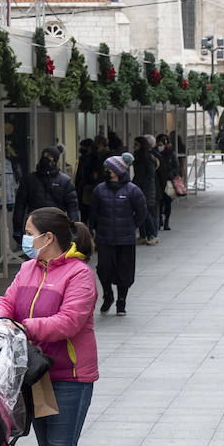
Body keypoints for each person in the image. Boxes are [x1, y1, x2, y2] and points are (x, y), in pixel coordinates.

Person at [0, 207, 97, 446]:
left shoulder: (79, 275)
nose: (25, 238)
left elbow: (70, 321)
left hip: (69, 375)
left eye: (29, 231)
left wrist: (24, 327)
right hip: (34, 374)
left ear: (48, 237)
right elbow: (7, 302)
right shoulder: (26, 269)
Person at [89, 156, 148, 315]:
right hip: (105, 238)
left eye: (109, 169)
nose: (106, 172)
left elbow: (142, 212)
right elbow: (93, 214)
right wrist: (92, 231)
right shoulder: (99, 190)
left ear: (117, 171)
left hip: (125, 239)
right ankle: (108, 295)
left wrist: (131, 226)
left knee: (125, 271)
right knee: (103, 269)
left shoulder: (132, 190)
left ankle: (122, 301)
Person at [13, 146, 78, 242]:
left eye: (49, 156)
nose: (45, 158)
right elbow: (20, 205)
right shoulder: (30, 179)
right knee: (36, 254)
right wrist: (17, 228)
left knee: (55, 254)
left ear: (55, 160)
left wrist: (74, 230)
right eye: (44, 155)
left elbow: (73, 208)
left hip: (56, 225)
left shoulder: (65, 181)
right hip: (35, 224)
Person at [131, 137, 159, 244]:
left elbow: (149, 174)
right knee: (141, 212)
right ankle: (143, 235)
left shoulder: (147, 157)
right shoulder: (138, 156)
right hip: (139, 186)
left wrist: (141, 185)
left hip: (146, 188)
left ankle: (153, 235)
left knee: (145, 212)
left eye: (136, 144)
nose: (134, 146)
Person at [154, 133, 180, 231]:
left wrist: (170, 175)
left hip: (168, 182)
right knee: (159, 202)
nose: (159, 146)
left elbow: (176, 167)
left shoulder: (171, 154)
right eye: (158, 144)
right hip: (159, 181)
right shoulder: (155, 153)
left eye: (161, 144)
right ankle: (160, 219)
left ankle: (166, 221)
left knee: (168, 201)